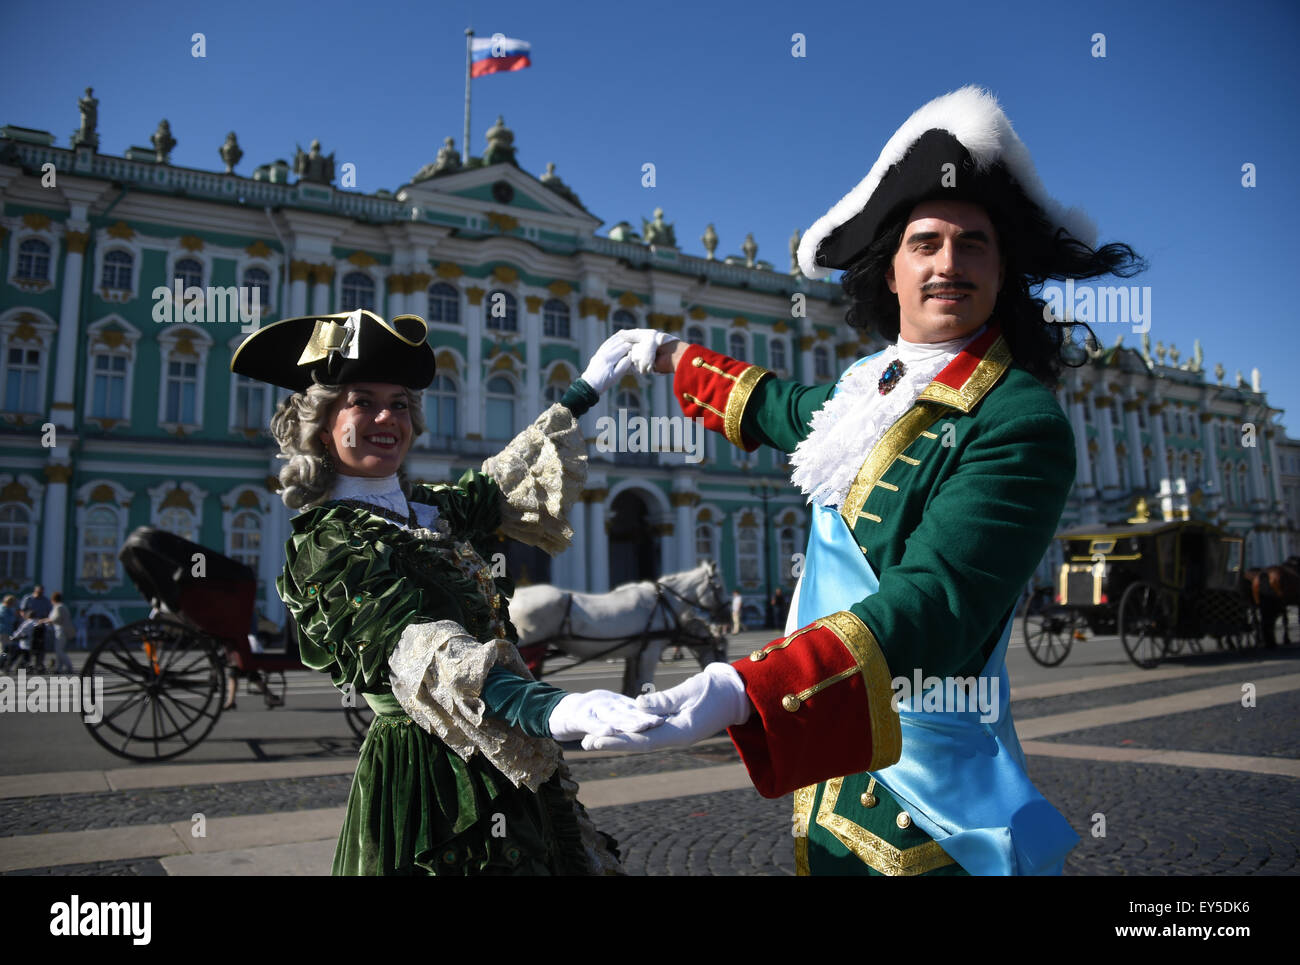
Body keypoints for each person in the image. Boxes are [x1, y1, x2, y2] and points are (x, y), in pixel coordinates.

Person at [587, 86, 1145, 876]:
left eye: (974, 244)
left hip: (931, 799)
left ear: (1004, 270)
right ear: (890, 270)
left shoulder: (1018, 417)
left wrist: (748, 685)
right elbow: (778, 406)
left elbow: (938, 601)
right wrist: (669, 353)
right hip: (835, 773)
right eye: (926, 242)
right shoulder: (866, 387)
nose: (949, 262)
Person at [231, 308, 660, 875]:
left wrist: (589, 388)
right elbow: (427, 654)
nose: (388, 416)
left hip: (505, 756)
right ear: (324, 421)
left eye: (401, 403)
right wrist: (553, 707)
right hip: (430, 774)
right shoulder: (331, 540)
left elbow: (502, 480)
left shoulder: (426, 511)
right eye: (363, 401)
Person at [18, 585, 51, 673]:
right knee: (28, 646)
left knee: (40, 646)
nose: (40, 593)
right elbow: (22, 610)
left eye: (42, 592)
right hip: (30, 625)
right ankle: (26, 664)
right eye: (39, 592)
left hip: (41, 626)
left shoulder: (45, 600)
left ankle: (39, 663)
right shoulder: (28, 599)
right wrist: (26, 620)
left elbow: (49, 612)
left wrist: (45, 621)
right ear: (35, 591)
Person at [45, 591, 75, 674]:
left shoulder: (58, 607)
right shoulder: (62, 606)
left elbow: (56, 619)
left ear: (53, 599)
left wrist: (46, 620)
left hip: (61, 631)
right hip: (60, 630)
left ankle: (69, 667)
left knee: (59, 650)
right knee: (59, 650)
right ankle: (58, 668)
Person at [0, 595, 18, 669]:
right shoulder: (2, 609)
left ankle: (3, 666)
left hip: (8, 632)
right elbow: (10, 620)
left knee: (6, 650)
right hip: (2, 632)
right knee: (2, 650)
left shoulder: (10, 609)